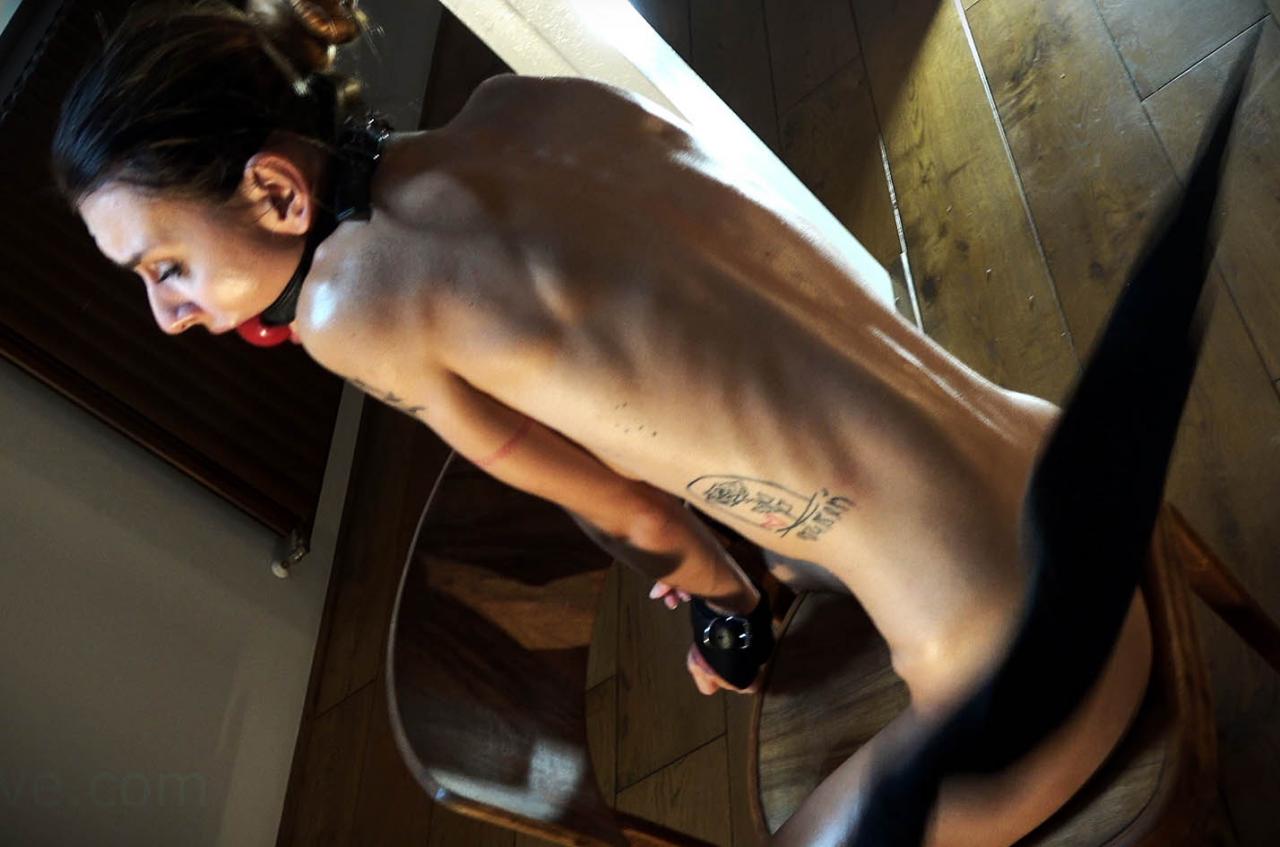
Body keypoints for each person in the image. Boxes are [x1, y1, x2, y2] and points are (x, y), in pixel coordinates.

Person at [53, 2, 1155, 844]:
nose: (166, 314)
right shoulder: (520, 103)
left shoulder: (347, 309)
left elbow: (634, 514)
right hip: (1049, 444)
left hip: (1021, 638)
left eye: (164, 266)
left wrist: (726, 607)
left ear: (277, 193)